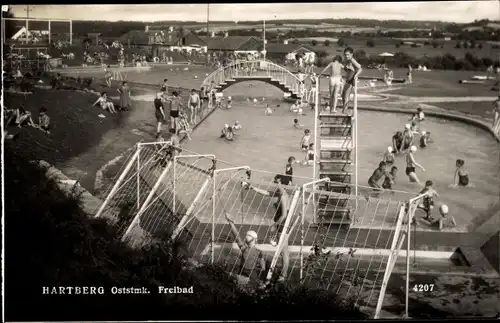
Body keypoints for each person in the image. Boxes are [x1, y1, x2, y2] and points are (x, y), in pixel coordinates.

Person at [244, 176, 290, 281]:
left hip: (282, 224)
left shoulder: (283, 196)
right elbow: (267, 193)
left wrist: (274, 225)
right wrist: (253, 188)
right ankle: (284, 273)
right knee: (284, 251)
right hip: (282, 223)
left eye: (276, 182)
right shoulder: (280, 194)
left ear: (282, 183)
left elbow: (283, 215)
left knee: (284, 251)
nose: (274, 183)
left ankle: (283, 275)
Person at [223, 212, 266, 283]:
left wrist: (230, 221)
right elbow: (263, 268)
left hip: (244, 274)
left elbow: (236, 235)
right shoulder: (259, 252)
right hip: (252, 275)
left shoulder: (244, 249)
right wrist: (254, 268)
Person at [341, 47, 362, 115]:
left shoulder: (352, 60)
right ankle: (345, 110)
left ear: (351, 54)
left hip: (351, 80)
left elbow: (360, 68)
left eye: (348, 54)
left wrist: (356, 75)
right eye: (345, 54)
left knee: (346, 96)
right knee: (343, 95)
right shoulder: (347, 61)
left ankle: (345, 111)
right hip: (348, 80)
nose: (346, 56)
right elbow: (347, 70)